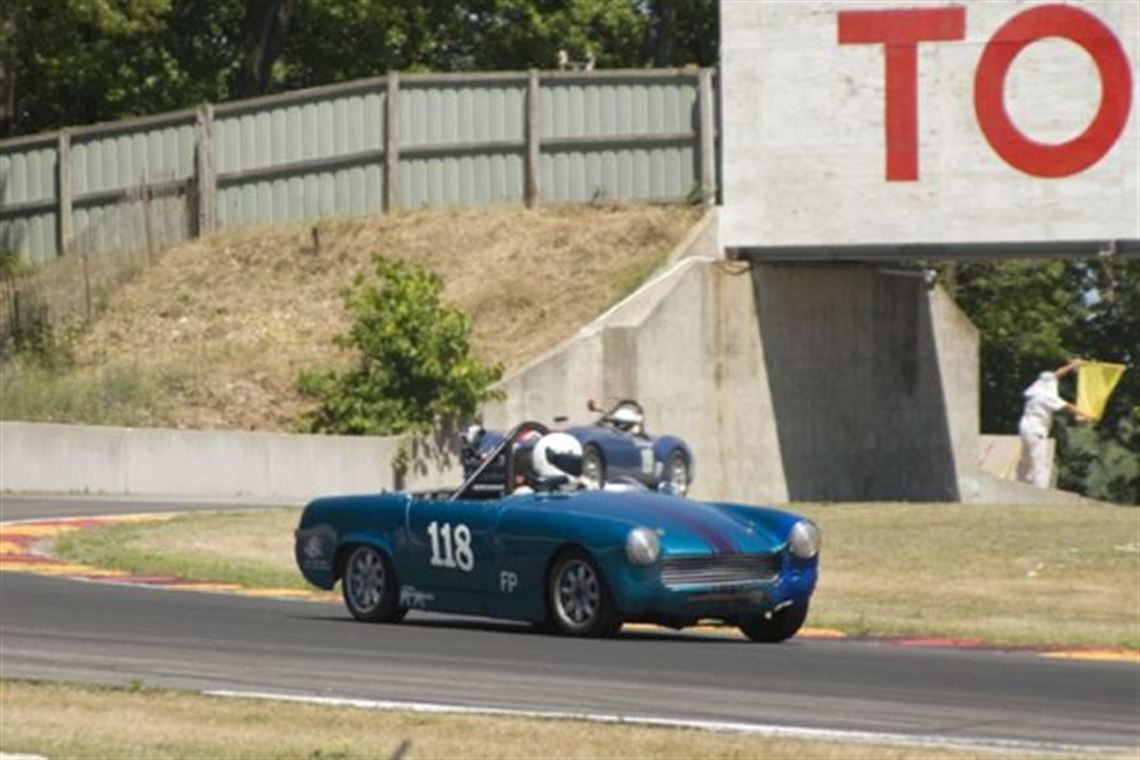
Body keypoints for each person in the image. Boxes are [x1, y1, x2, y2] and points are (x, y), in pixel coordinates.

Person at [1017, 359, 1088, 488]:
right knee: (1040, 462)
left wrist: (1072, 366)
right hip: (1037, 428)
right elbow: (1067, 406)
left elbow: (1056, 374)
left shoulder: (1037, 386)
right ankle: (1041, 493)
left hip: (1025, 424)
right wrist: (1087, 414)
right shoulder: (1046, 396)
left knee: (1026, 460)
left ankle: (1019, 485)